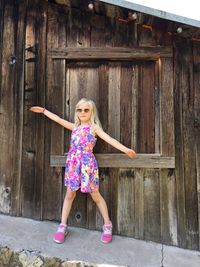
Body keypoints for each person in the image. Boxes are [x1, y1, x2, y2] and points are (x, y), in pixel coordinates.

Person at [30, 98, 136, 244]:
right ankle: (62, 226)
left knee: (95, 194)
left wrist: (126, 150)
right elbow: (58, 119)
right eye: (79, 110)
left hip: (87, 165)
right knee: (70, 193)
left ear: (91, 111)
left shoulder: (94, 128)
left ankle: (107, 225)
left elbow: (110, 139)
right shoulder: (75, 127)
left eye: (86, 110)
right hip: (73, 164)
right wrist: (43, 111)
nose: (82, 112)